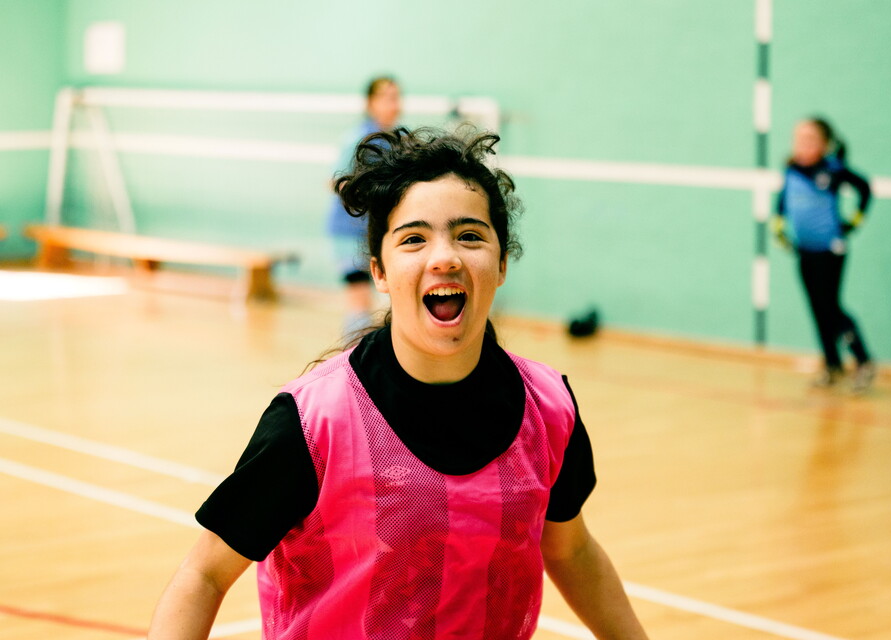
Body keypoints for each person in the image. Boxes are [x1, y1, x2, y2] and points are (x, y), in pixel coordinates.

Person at [147, 127, 650, 640]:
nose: (445, 257)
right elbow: (203, 574)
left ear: (500, 264)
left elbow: (572, 549)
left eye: (470, 235)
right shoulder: (313, 423)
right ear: (380, 272)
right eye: (413, 238)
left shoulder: (549, 409)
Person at [773, 117, 876, 393]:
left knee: (831, 307)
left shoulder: (832, 170)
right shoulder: (791, 169)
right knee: (817, 309)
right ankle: (833, 365)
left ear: (823, 143)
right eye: (799, 138)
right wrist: (779, 225)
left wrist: (855, 221)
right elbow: (783, 199)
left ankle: (863, 361)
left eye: (810, 139)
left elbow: (864, 189)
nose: (802, 144)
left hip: (830, 249)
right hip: (804, 249)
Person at [327, 76, 403, 333]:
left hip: (381, 231)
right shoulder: (358, 139)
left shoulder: (398, 139)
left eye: (396, 97)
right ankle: (353, 359)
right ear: (371, 103)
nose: (393, 104)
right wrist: (364, 198)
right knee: (359, 300)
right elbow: (335, 181)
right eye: (386, 97)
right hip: (350, 231)